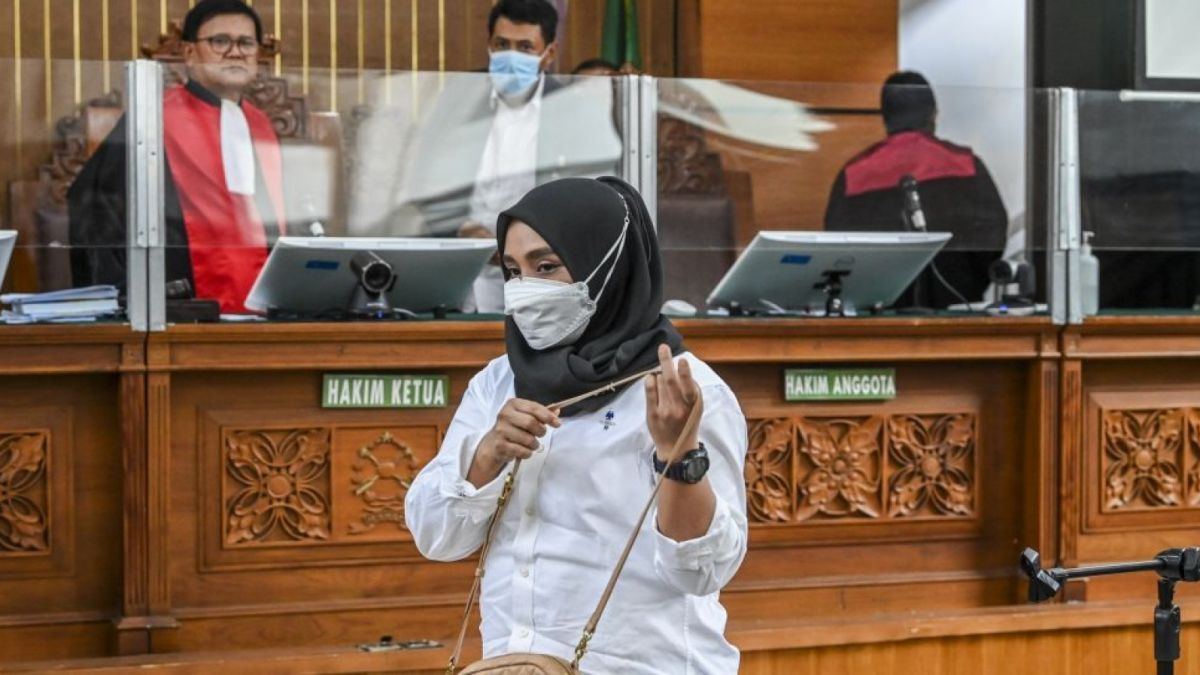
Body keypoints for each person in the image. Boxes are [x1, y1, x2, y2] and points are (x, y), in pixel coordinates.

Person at [405, 177, 748, 673]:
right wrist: (485, 456)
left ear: (606, 266)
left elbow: (703, 571)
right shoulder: (499, 382)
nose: (526, 289)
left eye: (546, 267)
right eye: (512, 271)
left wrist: (680, 460)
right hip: (514, 664)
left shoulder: (683, 390)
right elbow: (436, 537)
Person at [68, 0, 286, 313]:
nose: (236, 52)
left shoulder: (263, 126)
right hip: (181, 311)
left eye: (246, 43)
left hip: (266, 313)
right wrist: (130, 298)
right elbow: (95, 207)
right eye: (220, 41)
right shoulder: (153, 118)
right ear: (188, 54)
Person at [824, 70, 1008, 308]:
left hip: (880, 312)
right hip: (955, 306)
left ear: (885, 118)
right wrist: (966, 285)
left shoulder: (852, 174)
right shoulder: (966, 164)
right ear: (933, 114)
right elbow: (992, 238)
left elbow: (838, 249)